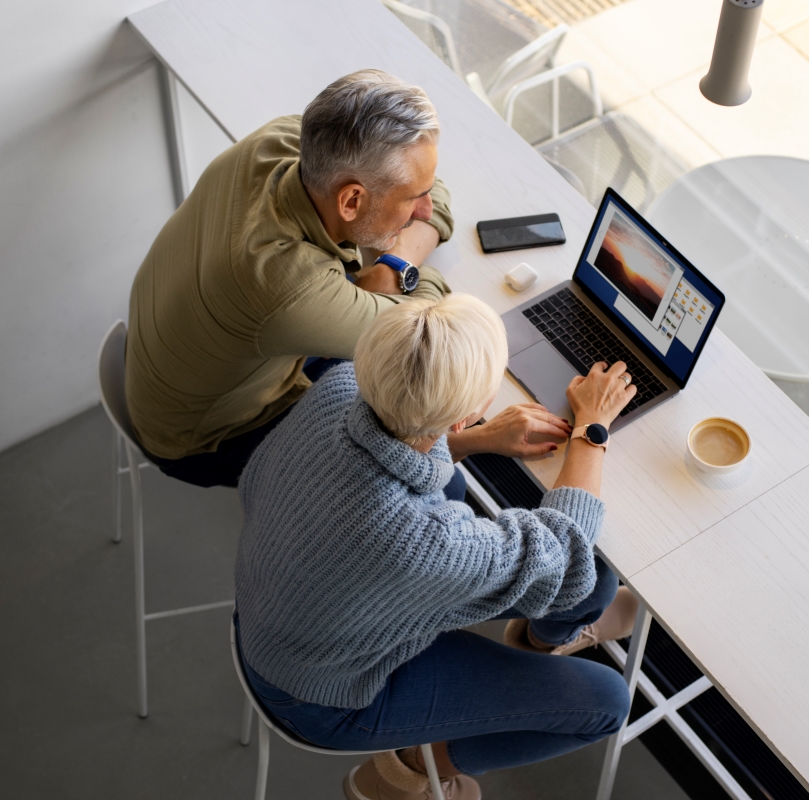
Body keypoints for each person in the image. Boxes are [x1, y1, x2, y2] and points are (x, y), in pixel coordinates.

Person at [235, 293, 640, 800]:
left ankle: (539, 641)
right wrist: (591, 429)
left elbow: (383, 442)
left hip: (282, 608)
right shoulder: (418, 539)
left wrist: (478, 439)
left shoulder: (339, 386)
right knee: (607, 700)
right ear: (461, 415)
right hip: (320, 694)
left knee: (594, 582)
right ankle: (403, 772)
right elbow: (562, 547)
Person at [125, 69, 548, 488]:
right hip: (204, 440)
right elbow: (426, 325)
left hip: (162, 365)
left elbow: (438, 196)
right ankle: (463, 448)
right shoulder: (287, 290)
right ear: (350, 200)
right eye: (410, 199)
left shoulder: (283, 141)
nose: (422, 210)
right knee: (422, 422)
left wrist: (391, 265)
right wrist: (399, 266)